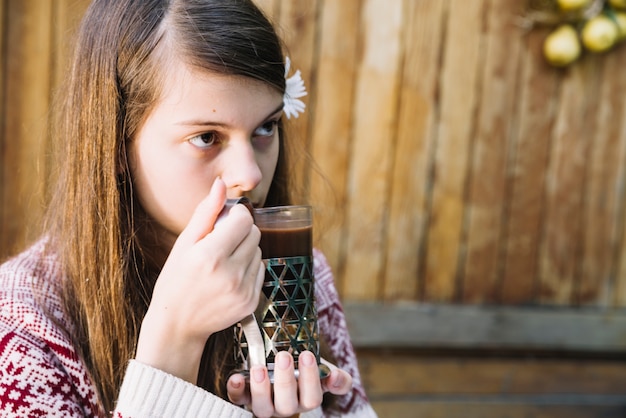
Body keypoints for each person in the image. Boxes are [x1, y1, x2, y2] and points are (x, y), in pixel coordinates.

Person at [0, 0, 378, 417]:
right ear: (117, 144)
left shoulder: (303, 277)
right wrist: (171, 347)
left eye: (266, 127)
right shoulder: (23, 321)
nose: (249, 175)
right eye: (206, 137)